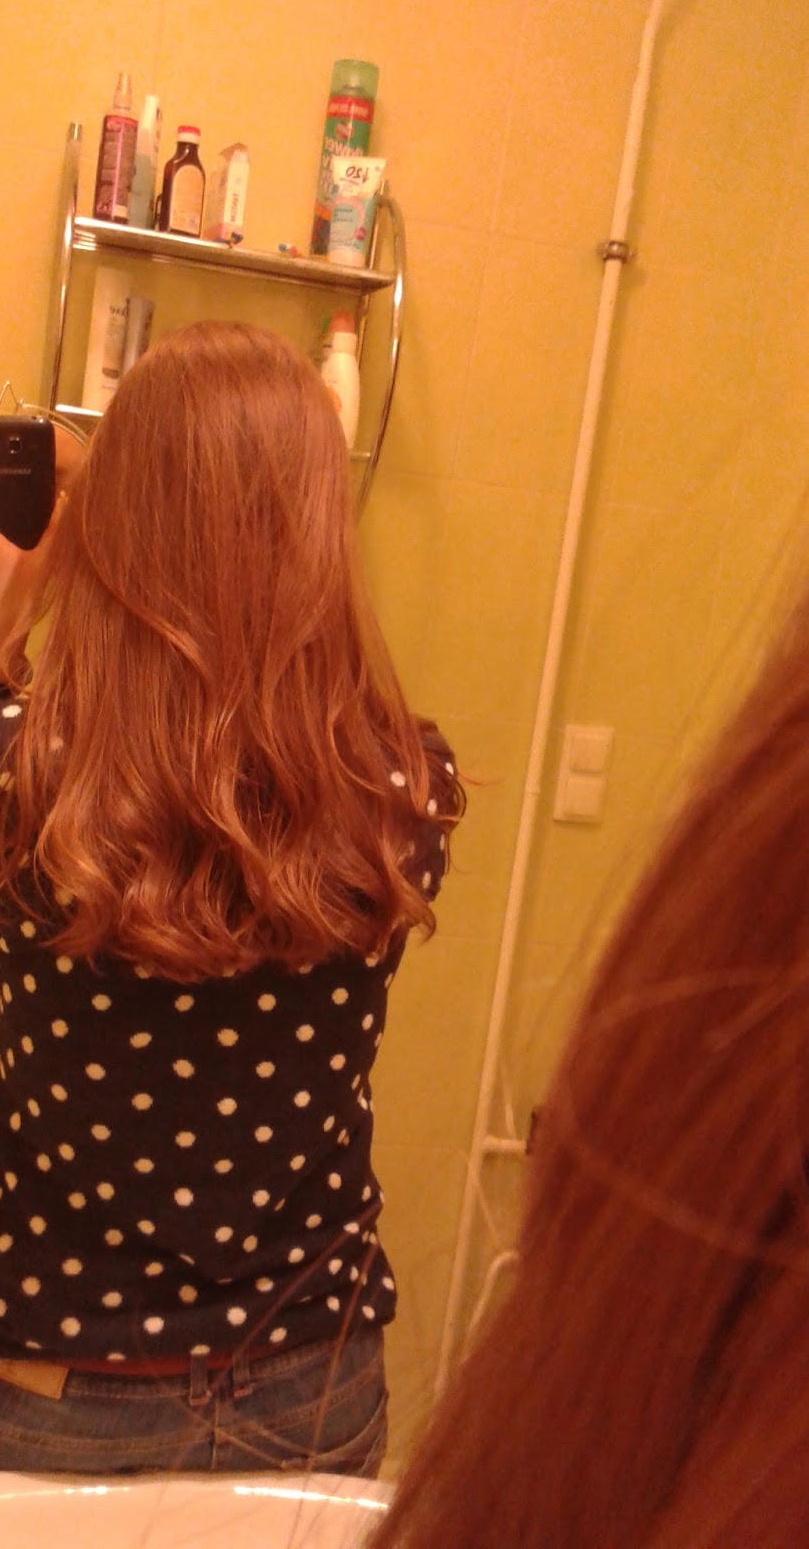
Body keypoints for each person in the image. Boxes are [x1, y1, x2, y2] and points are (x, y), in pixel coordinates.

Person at [0, 321, 464, 1481]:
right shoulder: (403, 777)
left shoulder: (24, 765)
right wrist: (161, 473)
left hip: (53, 1378)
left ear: (113, 530)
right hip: (313, 1376)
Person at [369, 572, 809, 1548]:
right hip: (309, 1328)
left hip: (59, 1337)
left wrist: (11, 637)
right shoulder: (403, 778)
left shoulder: (29, 758)